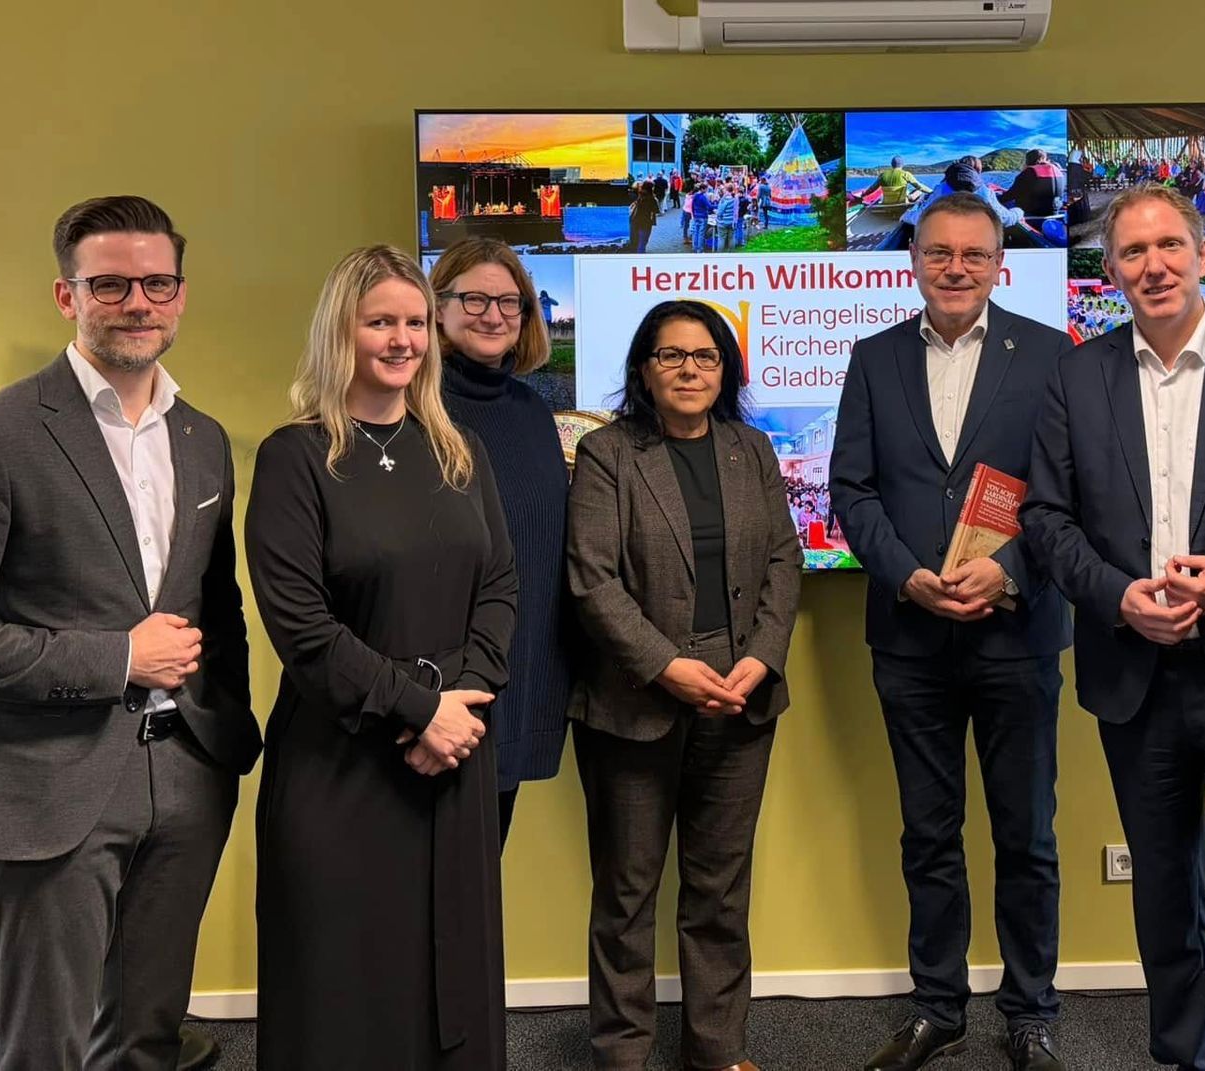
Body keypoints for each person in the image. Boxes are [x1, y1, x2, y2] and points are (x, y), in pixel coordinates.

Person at [0, 195, 259, 1070]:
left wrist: (226, 730)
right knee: (43, 1047)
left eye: (157, 283)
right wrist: (118, 656)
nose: (138, 302)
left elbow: (218, 605)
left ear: (180, 292)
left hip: (188, 775)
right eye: (110, 284)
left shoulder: (202, 438)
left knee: (144, 1039)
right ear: (67, 296)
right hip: (46, 786)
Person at [1022, 185, 1205, 1071]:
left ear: (1202, 253)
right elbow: (1046, 517)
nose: (1152, 265)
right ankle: (1195, 1057)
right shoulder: (1078, 374)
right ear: (1110, 269)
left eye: (1168, 246)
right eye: (1132, 251)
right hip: (1134, 675)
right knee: (1163, 896)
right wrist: (1118, 596)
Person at [247, 245, 516, 1069]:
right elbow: (303, 628)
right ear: (341, 331)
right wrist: (419, 710)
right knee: (344, 987)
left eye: (414, 322)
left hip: (456, 752)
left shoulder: (460, 449)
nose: (402, 340)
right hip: (342, 761)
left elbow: (500, 584)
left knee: (453, 981)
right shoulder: (295, 457)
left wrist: (462, 704)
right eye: (380, 322)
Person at [829, 193, 1072, 1071]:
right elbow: (852, 489)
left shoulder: (1050, 354)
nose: (956, 268)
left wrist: (1006, 569)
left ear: (1001, 264)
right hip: (910, 637)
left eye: (974, 254)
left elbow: (1067, 491)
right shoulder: (874, 357)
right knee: (927, 834)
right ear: (914, 260)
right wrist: (908, 575)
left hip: (1017, 632)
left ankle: (1031, 1013)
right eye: (939, 253)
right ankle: (939, 1007)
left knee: (1026, 835)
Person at [567, 300, 802, 1071]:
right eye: (671, 355)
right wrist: (668, 666)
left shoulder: (751, 449)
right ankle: (622, 1055)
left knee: (719, 891)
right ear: (644, 369)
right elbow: (592, 579)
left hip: (741, 695)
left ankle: (717, 1051)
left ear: (725, 370)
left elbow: (783, 559)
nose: (689, 369)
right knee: (627, 893)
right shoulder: (607, 453)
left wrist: (762, 656)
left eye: (705, 356)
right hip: (636, 700)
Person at [428, 238, 571, 846]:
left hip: (524, 673)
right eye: (474, 299)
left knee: (481, 877)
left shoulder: (533, 410)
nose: (494, 315)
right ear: (437, 306)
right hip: (441, 689)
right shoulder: (415, 405)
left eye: (510, 302)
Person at [999, 148, 1066, 219]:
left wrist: (997, 200)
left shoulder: (1029, 172)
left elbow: (1010, 195)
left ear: (1028, 161)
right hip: (1054, 212)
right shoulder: (1058, 171)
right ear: (1045, 159)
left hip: (1032, 214)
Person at [863, 154, 934, 206]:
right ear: (902, 165)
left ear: (892, 165)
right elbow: (920, 186)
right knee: (919, 191)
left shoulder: (883, 175)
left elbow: (872, 189)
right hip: (902, 203)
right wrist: (932, 192)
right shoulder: (905, 174)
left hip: (886, 203)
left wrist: (864, 194)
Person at [629, 181, 660, 253]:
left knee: (636, 240)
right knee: (643, 241)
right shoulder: (652, 198)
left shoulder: (639, 195)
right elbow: (656, 210)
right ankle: (641, 255)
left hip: (635, 220)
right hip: (646, 222)